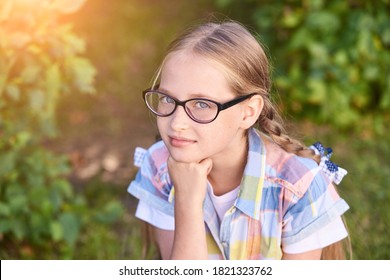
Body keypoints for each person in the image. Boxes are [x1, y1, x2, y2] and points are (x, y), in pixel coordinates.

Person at [128, 20, 350, 260]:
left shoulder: (298, 186)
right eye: (167, 98)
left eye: (202, 104)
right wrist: (187, 203)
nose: (176, 123)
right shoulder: (160, 167)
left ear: (248, 112)